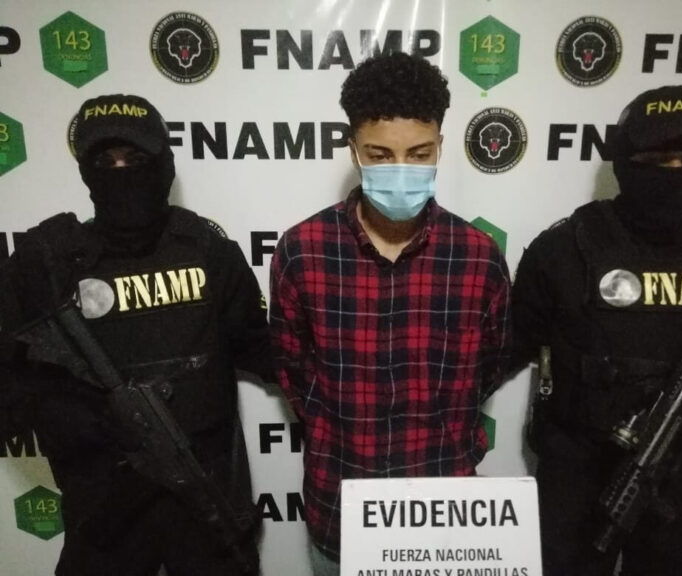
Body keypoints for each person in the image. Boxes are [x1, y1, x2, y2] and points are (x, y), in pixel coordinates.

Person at [0, 94, 271, 576]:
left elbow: (267, 350)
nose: (122, 173)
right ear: (85, 172)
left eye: (137, 159)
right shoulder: (48, 262)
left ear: (164, 164)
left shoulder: (207, 251)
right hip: (103, 510)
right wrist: (77, 418)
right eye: (105, 162)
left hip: (204, 508)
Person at [269, 52, 513, 575]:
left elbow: (489, 367)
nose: (400, 169)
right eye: (380, 154)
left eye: (419, 153)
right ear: (353, 149)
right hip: (341, 503)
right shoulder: (302, 250)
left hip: (447, 512)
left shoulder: (478, 256)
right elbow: (294, 371)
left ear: (441, 146)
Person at [509, 85, 682, 576]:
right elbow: (506, 347)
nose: (675, 173)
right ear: (623, 160)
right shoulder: (564, 251)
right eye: (655, 158)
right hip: (578, 485)